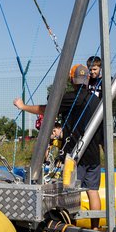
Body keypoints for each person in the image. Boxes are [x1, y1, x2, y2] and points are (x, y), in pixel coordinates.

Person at [13, 64, 104, 219]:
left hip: (75, 154)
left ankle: (66, 225)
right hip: (94, 153)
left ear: (71, 79)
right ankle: (95, 228)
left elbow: (46, 110)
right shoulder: (96, 101)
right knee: (93, 191)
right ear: (88, 78)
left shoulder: (71, 98)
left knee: (68, 191)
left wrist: (23, 106)